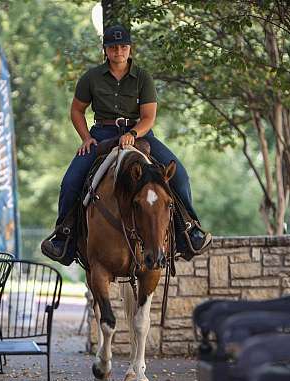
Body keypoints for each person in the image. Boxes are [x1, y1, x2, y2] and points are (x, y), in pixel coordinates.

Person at [41, 25, 211, 263]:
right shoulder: (91, 77)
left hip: (141, 135)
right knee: (70, 182)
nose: (118, 51)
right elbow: (77, 110)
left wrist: (132, 132)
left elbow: (149, 117)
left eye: (123, 46)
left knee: (180, 175)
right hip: (102, 133)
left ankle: (189, 232)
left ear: (130, 49)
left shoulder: (143, 77)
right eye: (112, 47)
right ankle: (64, 236)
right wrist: (86, 138)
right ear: (105, 49)